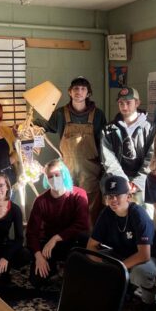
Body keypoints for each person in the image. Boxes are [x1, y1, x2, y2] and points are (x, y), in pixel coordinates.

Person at [35, 76, 107, 222]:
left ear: (88, 93)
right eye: (75, 89)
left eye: (83, 89)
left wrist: (104, 169)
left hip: (90, 170)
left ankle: (89, 241)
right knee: (66, 203)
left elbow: (104, 144)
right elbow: (44, 125)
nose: (79, 92)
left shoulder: (98, 115)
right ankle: (68, 239)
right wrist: (27, 125)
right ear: (69, 91)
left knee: (90, 207)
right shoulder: (61, 114)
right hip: (66, 169)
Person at [87, 175, 156, 306]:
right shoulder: (106, 213)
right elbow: (91, 247)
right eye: (109, 196)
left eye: (117, 195)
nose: (113, 200)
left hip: (149, 258)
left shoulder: (138, 214)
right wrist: (105, 264)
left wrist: (117, 267)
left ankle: (148, 301)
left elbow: (144, 255)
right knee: (89, 260)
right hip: (121, 255)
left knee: (140, 273)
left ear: (128, 196)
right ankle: (122, 290)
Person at [26, 159, 90, 287]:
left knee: (84, 238)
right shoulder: (40, 201)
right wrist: (38, 256)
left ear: (64, 175)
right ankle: (54, 268)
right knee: (36, 280)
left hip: (73, 241)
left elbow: (82, 224)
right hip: (49, 246)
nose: (54, 179)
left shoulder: (79, 195)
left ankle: (73, 268)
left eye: (57, 175)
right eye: (50, 176)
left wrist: (56, 238)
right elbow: (31, 232)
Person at [100, 87, 154, 202]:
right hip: (117, 180)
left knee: (142, 216)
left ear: (137, 103)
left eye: (128, 103)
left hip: (143, 182)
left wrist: (138, 182)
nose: (124, 107)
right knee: (117, 214)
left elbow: (152, 157)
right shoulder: (108, 130)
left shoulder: (151, 128)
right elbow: (108, 159)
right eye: (121, 103)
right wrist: (122, 181)